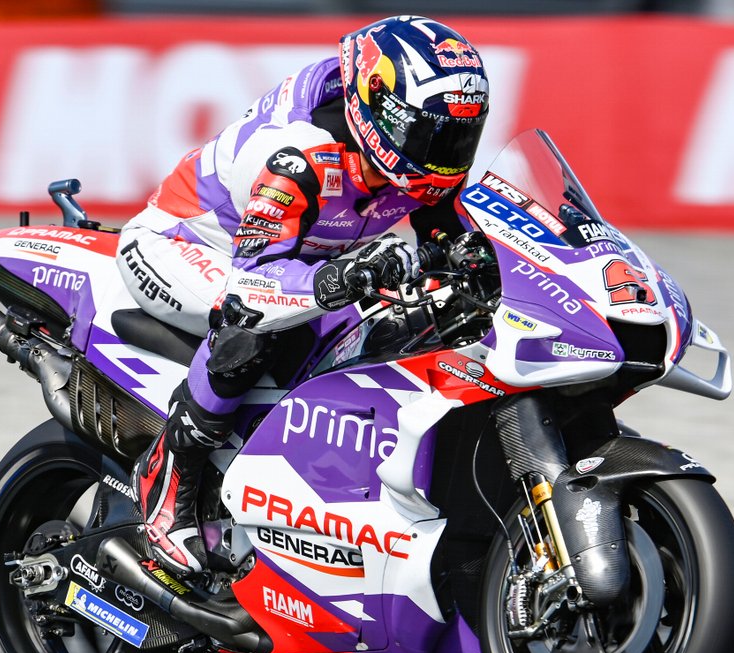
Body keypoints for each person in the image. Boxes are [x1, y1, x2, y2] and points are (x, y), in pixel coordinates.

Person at [117, 16, 490, 575]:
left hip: (303, 252)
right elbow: (255, 285)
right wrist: (339, 279)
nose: (445, 155)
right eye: (430, 135)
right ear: (378, 107)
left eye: (459, 136)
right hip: (186, 245)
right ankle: (168, 483)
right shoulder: (298, 154)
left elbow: (454, 235)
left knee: (411, 319)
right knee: (253, 327)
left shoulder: (415, 158)